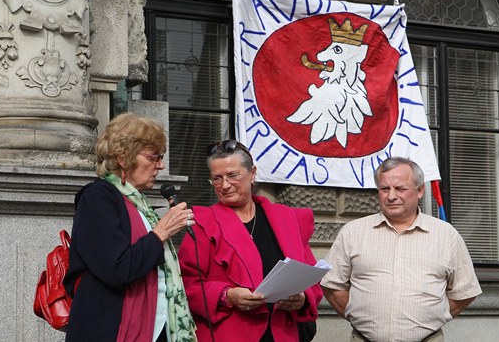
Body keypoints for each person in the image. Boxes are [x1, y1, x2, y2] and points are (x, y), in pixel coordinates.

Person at [63, 113, 197, 342]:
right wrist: (161, 233)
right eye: (154, 156)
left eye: (161, 156)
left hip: (157, 328)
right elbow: (117, 268)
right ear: (124, 158)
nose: (161, 165)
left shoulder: (140, 204)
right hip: (114, 329)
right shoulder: (97, 198)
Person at [321, 156, 482, 342]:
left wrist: (437, 316)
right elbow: (332, 284)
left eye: (400, 188)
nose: (391, 196)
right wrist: (358, 316)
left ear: (420, 190)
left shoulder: (446, 236)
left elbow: (465, 292)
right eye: (384, 189)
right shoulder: (353, 232)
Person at [178, 139, 323, 342]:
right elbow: (187, 285)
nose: (225, 185)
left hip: (284, 333)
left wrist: (302, 299)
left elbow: (311, 277)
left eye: (232, 175)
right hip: (230, 335)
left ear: (252, 174)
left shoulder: (287, 219)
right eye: (217, 179)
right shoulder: (203, 224)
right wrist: (227, 295)